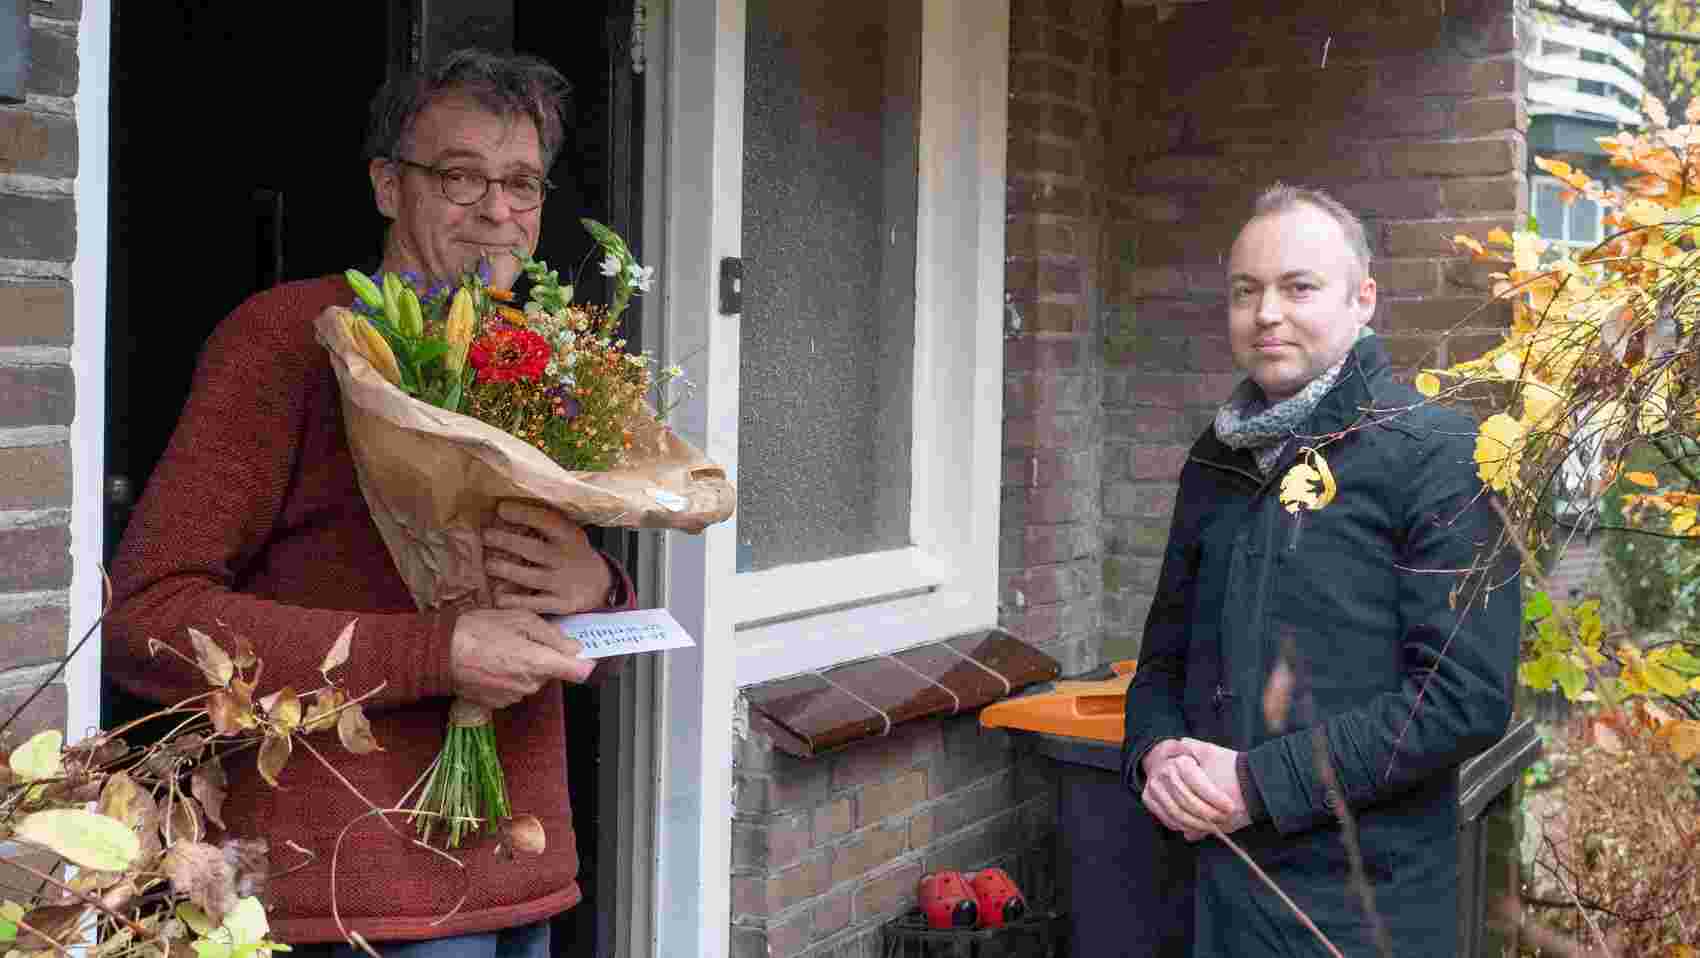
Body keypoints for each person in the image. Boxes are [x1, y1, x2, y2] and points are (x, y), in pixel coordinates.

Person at [104, 49, 630, 956]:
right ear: (389, 185)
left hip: (523, 881)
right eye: (461, 176)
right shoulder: (287, 343)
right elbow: (149, 621)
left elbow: (528, 628)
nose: (498, 212)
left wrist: (596, 591)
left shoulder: (541, 366)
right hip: (357, 899)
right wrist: (436, 651)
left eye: (522, 183)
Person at [1121, 184, 1519, 955]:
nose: (1267, 313)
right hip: (1206, 894)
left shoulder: (1434, 454)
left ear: (1362, 299)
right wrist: (1156, 753)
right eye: (1246, 291)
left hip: (1358, 911)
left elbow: (1461, 697)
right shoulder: (1215, 460)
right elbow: (1161, 660)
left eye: (1298, 287)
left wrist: (1256, 786)